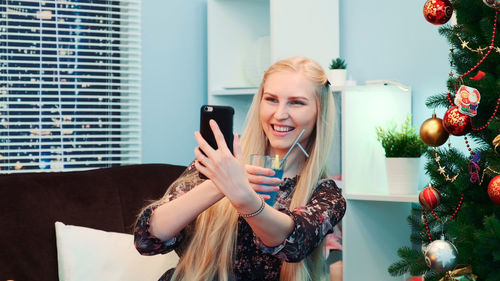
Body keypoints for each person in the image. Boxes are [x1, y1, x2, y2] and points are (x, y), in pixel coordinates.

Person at [134, 56, 346, 281]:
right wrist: (220, 183)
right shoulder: (221, 161)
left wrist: (242, 195)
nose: (280, 114)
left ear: (318, 113)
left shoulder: (325, 194)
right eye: (271, 99)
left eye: (297, 102)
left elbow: (291, 244)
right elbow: (148, 239)